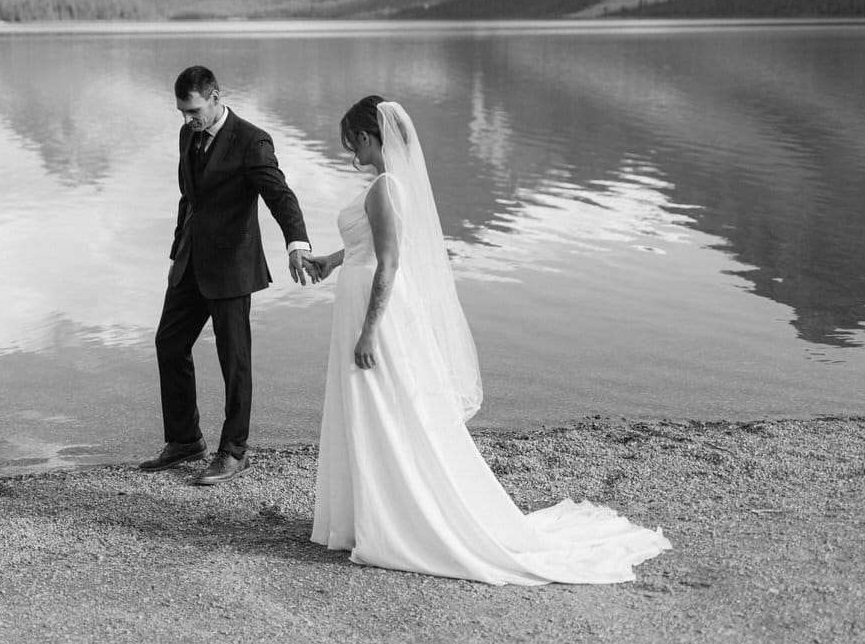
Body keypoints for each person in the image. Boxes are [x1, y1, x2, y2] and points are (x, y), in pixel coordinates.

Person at [306, 95, 671, 583]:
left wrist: (370, 330)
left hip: (375, 315)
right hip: (363, 300)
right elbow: (371, 246)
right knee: (378, 410)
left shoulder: (384, 188)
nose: (352, 153)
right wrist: (333, 261)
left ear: (370, 137)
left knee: (384, 409)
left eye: (353, 143)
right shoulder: (393, 186)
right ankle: (370, 511)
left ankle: (392, 515)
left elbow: (390, 263)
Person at [139, 66, 317, 486]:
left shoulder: (251, 140)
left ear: (216, 97)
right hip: (188, 263)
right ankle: (185, 440)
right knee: (169, 342)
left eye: (194, 110)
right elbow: (189, 199)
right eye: (182, 112)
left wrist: (298, 244)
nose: (187, 120)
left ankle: (234, 451)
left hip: (231, 268)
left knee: (233, 361)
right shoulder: (188, 136)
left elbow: (280, 195)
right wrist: (176, 250)